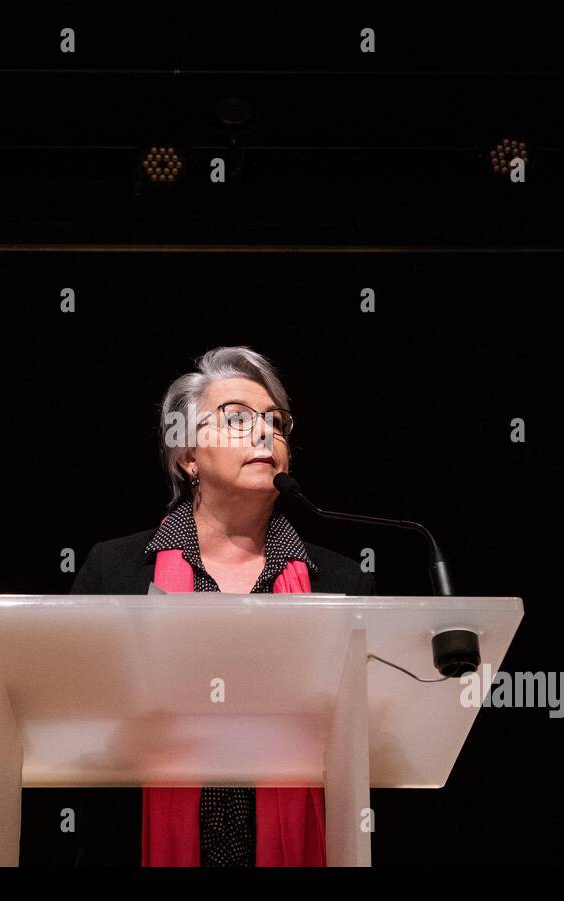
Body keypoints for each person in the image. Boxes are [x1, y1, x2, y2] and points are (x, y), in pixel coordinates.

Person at [62, 345, 376, 866]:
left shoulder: (341, 582)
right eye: (237, 419)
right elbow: (70, 717)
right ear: (187, 456)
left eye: (277, 423)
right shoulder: (115, 571)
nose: (265, 434)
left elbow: (372, 739)